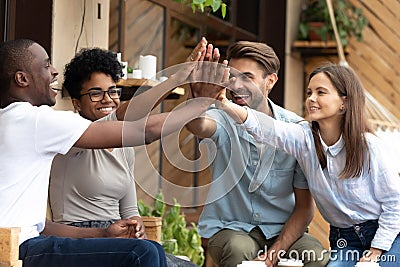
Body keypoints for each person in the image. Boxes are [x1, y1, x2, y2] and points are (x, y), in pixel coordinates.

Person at [0, 38, 217, 267]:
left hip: (32, 244)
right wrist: (200, 105)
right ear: (22, 78)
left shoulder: (16, 122)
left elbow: (41, 226)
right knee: (143, 253)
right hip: (23, 249)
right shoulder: (35, 121)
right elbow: (141, 129)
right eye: (46, 66)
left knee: (150, 250)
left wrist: (104, 233)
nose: (54, 72)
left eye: (113, 91)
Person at [216, 63, 400, 266]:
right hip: (345, 240)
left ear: (344, 103)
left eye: (321, 92)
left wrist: (376, 251)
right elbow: (267, 129)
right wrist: (224, 103)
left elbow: (395, 204)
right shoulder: (304, 139)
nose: (311, 98)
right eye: (309, 92)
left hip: (389, 236)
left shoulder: (369, 147)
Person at [44, 47, 198, 267]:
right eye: (96, 93)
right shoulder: (70, 137)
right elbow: (128, 115)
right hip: (81, 240)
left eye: (113, 91)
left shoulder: (123, 147)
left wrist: (136, 226)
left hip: (118, 235)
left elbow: (129, 210)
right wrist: (178, 79)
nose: (107, 100)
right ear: (77, 103)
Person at [186, 39, 329, 267]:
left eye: (247, 77)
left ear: (270, 81)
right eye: (231, 76)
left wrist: (274, 253)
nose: (236, 85)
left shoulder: (295, 129)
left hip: (281, 232)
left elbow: (304, 208)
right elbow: (197, 126)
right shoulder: (220, 115)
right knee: (239, 248)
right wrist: (196, 98)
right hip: (229, 229)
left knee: (316, 255)